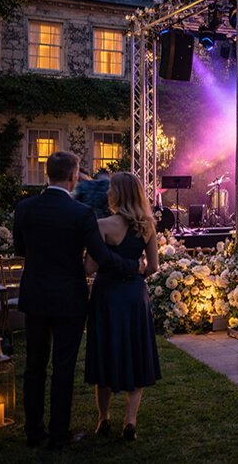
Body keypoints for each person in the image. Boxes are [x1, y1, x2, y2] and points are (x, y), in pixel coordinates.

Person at [13, 152, 141, 450]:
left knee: (34, 365)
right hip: (69, 298)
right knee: (63, 366)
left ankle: (34, 431)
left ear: (48, 174)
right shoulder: (80, 213)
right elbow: (102, 256)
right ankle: (59, 433)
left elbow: (21, 250)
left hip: (35, 295)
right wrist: (132, 267)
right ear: (73, 176)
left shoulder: (24, 208)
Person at [85, 172, 161, 441]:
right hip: (133, 296)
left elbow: (90, 267)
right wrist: (135, 272)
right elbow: (153, 266)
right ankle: (130, 420)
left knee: (105, 351)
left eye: (111, 189)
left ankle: (103, 418)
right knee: (136, 352)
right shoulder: (147, 226)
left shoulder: (102, 225)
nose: (108, 193)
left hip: (106, 295)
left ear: (117, 193)